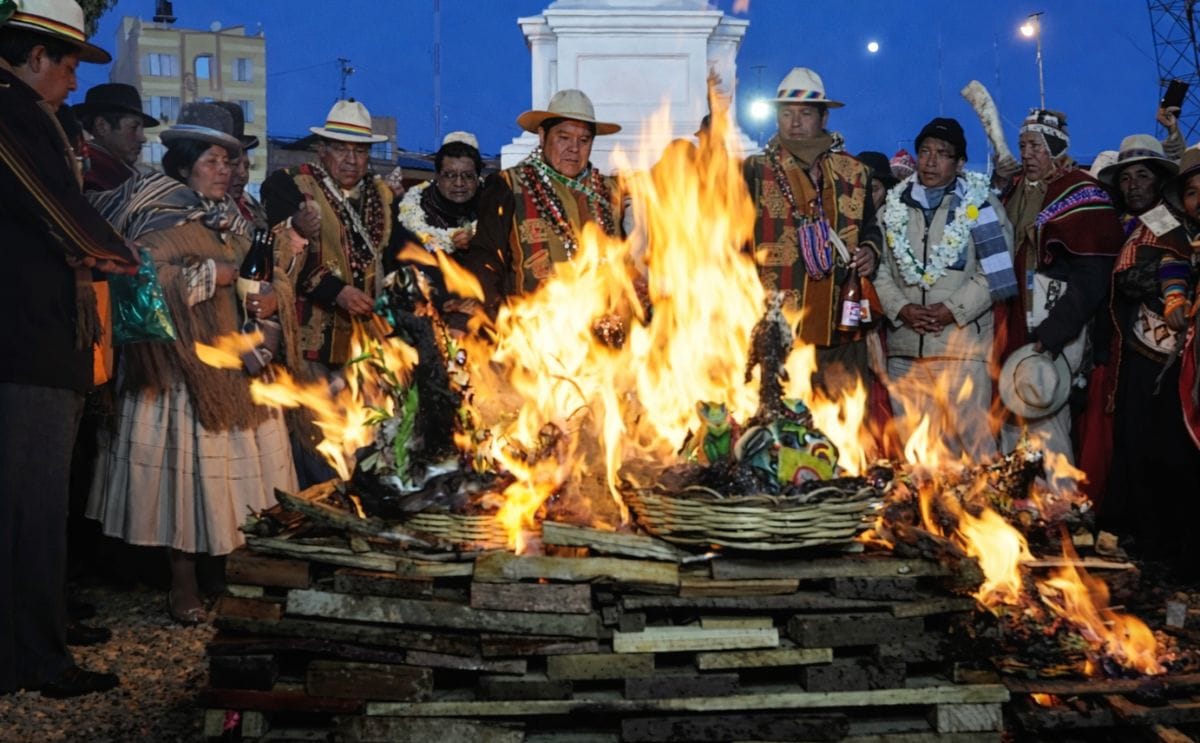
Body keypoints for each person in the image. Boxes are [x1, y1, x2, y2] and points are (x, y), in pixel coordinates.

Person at [87, 103, 299, 625]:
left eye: (230, 160)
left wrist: (274, 297)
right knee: (185, 480)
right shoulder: (151, 210)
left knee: (235, 481)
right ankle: (182, 579)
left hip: (240, 365)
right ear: (183, 163)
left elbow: (269, 276)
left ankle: (227, 571)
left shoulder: (238, 218)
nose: (225, 169)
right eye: (213, 159)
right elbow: (135, 286)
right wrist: (212, 275)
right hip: (178, 372)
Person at [0, 0, 140, 698]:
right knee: (28, 501)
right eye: (68, 64)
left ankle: (34, 635)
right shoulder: (11, 112)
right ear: (34, 57)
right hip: (25, 336)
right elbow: (49, 204)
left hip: (41, 334)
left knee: (36, 501)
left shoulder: (36, 115)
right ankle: (34, 657)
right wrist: (112, 251)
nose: (74, 82)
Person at [992, 109, 1125, 484]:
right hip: (1014, 321)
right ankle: (1018, 509)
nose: (1027, 153)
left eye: (1035, 145)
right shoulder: (1017, 191)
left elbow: (1093, 276)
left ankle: (1062, 511)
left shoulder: (1083, 192)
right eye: (1022, 146)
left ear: (1055, 147)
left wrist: (1053, 333)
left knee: (1046, 416)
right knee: (1010, 415)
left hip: (1055, 326)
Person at [874, 118, 1015, 459]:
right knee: (917, 455)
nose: (931, 161)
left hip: (961, 351)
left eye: (942, 154)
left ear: (960, 163)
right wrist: (900, 309)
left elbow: (995, 272)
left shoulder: (980, 206)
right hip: (906, 353)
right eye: (924, 152)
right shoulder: (893, 206)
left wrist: (951, 309)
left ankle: (983, 513)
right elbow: (877, 268)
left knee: (974, 453)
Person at [742, 67, 881, 401]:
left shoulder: (854, 173)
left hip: (840, 323)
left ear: (823, 117)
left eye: (805, 114)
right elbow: (735, 237)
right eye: (786, 113)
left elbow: (871, 227)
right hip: (778, 323)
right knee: (780, 425)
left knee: (841, 423)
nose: (795, 122)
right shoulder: (754, 170)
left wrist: (870, 251)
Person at [1100, 141, 1200, 571]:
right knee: (1138, 448)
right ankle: (1152, 546)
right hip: (1141, 353)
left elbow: (1152, 272)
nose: (1132, 184)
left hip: (1177, 355)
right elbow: (1142, 276)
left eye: (1142, 175)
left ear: (1160, 182)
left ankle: (1177, 551)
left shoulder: (1171, 223)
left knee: (1175, 453)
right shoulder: (1133, 225)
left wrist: (1167, 294)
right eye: (1125, 177)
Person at [262, 98, 399, 372]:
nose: (351, 160)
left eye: (360, 151)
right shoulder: (289, 184)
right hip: (311, 343)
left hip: (368, 344)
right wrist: (336, 292)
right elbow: (281, 258)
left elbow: (391, 256)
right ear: (322, 150)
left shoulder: (380, 195)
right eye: (341, 149)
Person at [464, 88, 624, 316]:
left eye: (584, 140)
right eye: (563, 137)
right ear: (542, 136)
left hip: (602, 331)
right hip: (535, 329)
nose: (574, 148)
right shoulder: (509, 185)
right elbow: (486, 258)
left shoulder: (609, 191)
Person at [395, 130, 484, 326]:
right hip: (426, 317)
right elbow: (402, 269)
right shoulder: (410, 208)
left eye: (467, 176)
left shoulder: (493, 207)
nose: (459, 183)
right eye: (450, 175)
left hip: (482, 316)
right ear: (437, 176)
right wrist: (442, 303)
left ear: (478, 177)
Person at [73, 82, 157, 192]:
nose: (143, 138)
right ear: (102, 126)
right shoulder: (93, 178)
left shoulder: (122, 173)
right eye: (133, 127)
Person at [214, 100, 266, 227]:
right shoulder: (198, 213)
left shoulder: (252, 207)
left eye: (247, 166)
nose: (243, 174)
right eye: (234, 165)